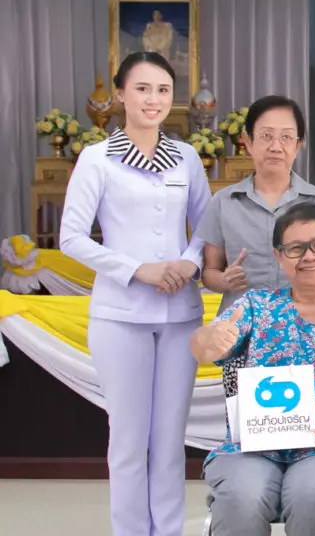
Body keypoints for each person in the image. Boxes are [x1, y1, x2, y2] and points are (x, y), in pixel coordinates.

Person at [59, 51, 211, 536]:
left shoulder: (186, 157)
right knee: (127, 438)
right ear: (120, 94)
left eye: (163, 90)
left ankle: (166, 531)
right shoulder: (96, 159)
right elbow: (71, 237)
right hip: (119, 315)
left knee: (168, 440)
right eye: (142, 88)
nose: (153, 99)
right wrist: (136, 269)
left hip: (179, 314)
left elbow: (207, 225)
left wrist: (189, 261)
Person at [192, 203, 315, 536]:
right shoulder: (256, 306)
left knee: (313, 496)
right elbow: (204, 344)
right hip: (254, 447)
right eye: (295, 248)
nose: (309, 256)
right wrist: (209, 340)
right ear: (279, 257)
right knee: (242, 496)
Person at [197, 94, 315, 314]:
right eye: (266, 136)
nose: (276, 146)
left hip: (305, 325)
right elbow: (210, 271)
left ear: (298, 145)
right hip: (241, 328)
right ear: (248, 141)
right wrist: (224, 281)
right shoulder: (223, 202)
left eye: (286, 137)